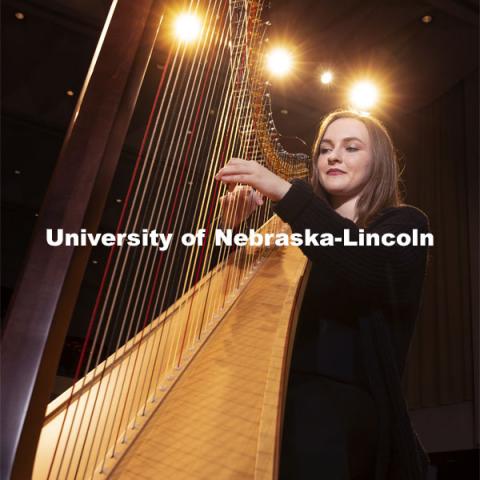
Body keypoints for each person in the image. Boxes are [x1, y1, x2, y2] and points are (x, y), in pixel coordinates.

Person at [214, 109, 431, 480]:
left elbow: (364, 265)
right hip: (274, 399)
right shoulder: (290, 234)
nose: (334, 156)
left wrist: (285, 192)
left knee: (313, 411)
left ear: (377, 161)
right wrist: (230, 230)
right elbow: (227, 305)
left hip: (343, 411)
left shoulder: (406, 224)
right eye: (326, 149)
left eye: (351, 148)